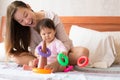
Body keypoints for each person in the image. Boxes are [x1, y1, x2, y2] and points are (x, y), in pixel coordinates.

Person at [5, 0, 89, 72]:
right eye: (21, 21)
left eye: (26, 15)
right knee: (16, 57)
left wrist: (60, 58)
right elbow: (34, 48)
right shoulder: (25, 28)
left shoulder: (51, 16)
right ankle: (44, 64)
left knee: (83, 52)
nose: (26, 21)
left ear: (28, 7)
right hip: (43, 56)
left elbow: (65, 42)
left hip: (61, 52)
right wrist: (39, 55)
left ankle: (58, 63)